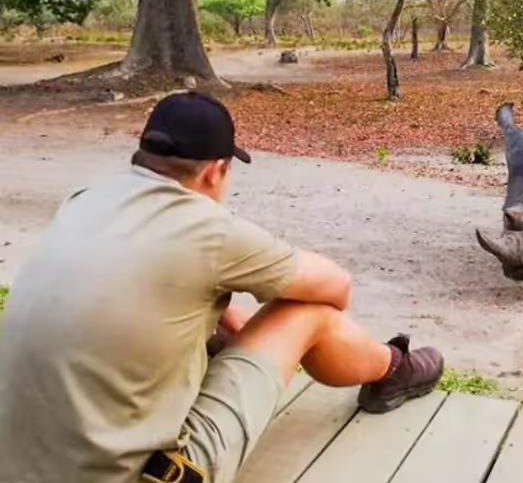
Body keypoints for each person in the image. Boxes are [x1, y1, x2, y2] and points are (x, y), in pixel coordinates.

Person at [0, 91, 445, 483]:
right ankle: (394, 372)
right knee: (306, 313)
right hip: (145, 476)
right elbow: (336, 287)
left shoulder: (83, 201)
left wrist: (228, 313)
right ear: (216, 171)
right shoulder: (208, 230)